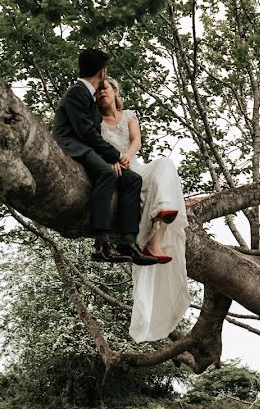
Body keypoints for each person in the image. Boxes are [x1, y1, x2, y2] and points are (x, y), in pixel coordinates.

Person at [97, 76, 192, 342]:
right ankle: (151, 238)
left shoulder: (128, 115)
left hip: (134, 167)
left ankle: (157, 236)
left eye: (105, 89)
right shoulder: (94, 122)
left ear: (116, 92)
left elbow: (136, 140)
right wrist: (112, 161)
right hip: (114, 175)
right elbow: (94, 148)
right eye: (97, 92)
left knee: (164, 164)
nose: (100, 93)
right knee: (138, 183)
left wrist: (126, 155)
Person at [52, 49, 157, 266]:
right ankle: (101, 244)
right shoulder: (76, 92)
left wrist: (111, 158)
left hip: (87, 147)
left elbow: (94, 135)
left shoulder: (87, 95)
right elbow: (86, 134)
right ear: (102, 72)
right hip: (72, 146)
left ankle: (128, 241)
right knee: (107, 174)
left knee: (132, 179)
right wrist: (115, 157)